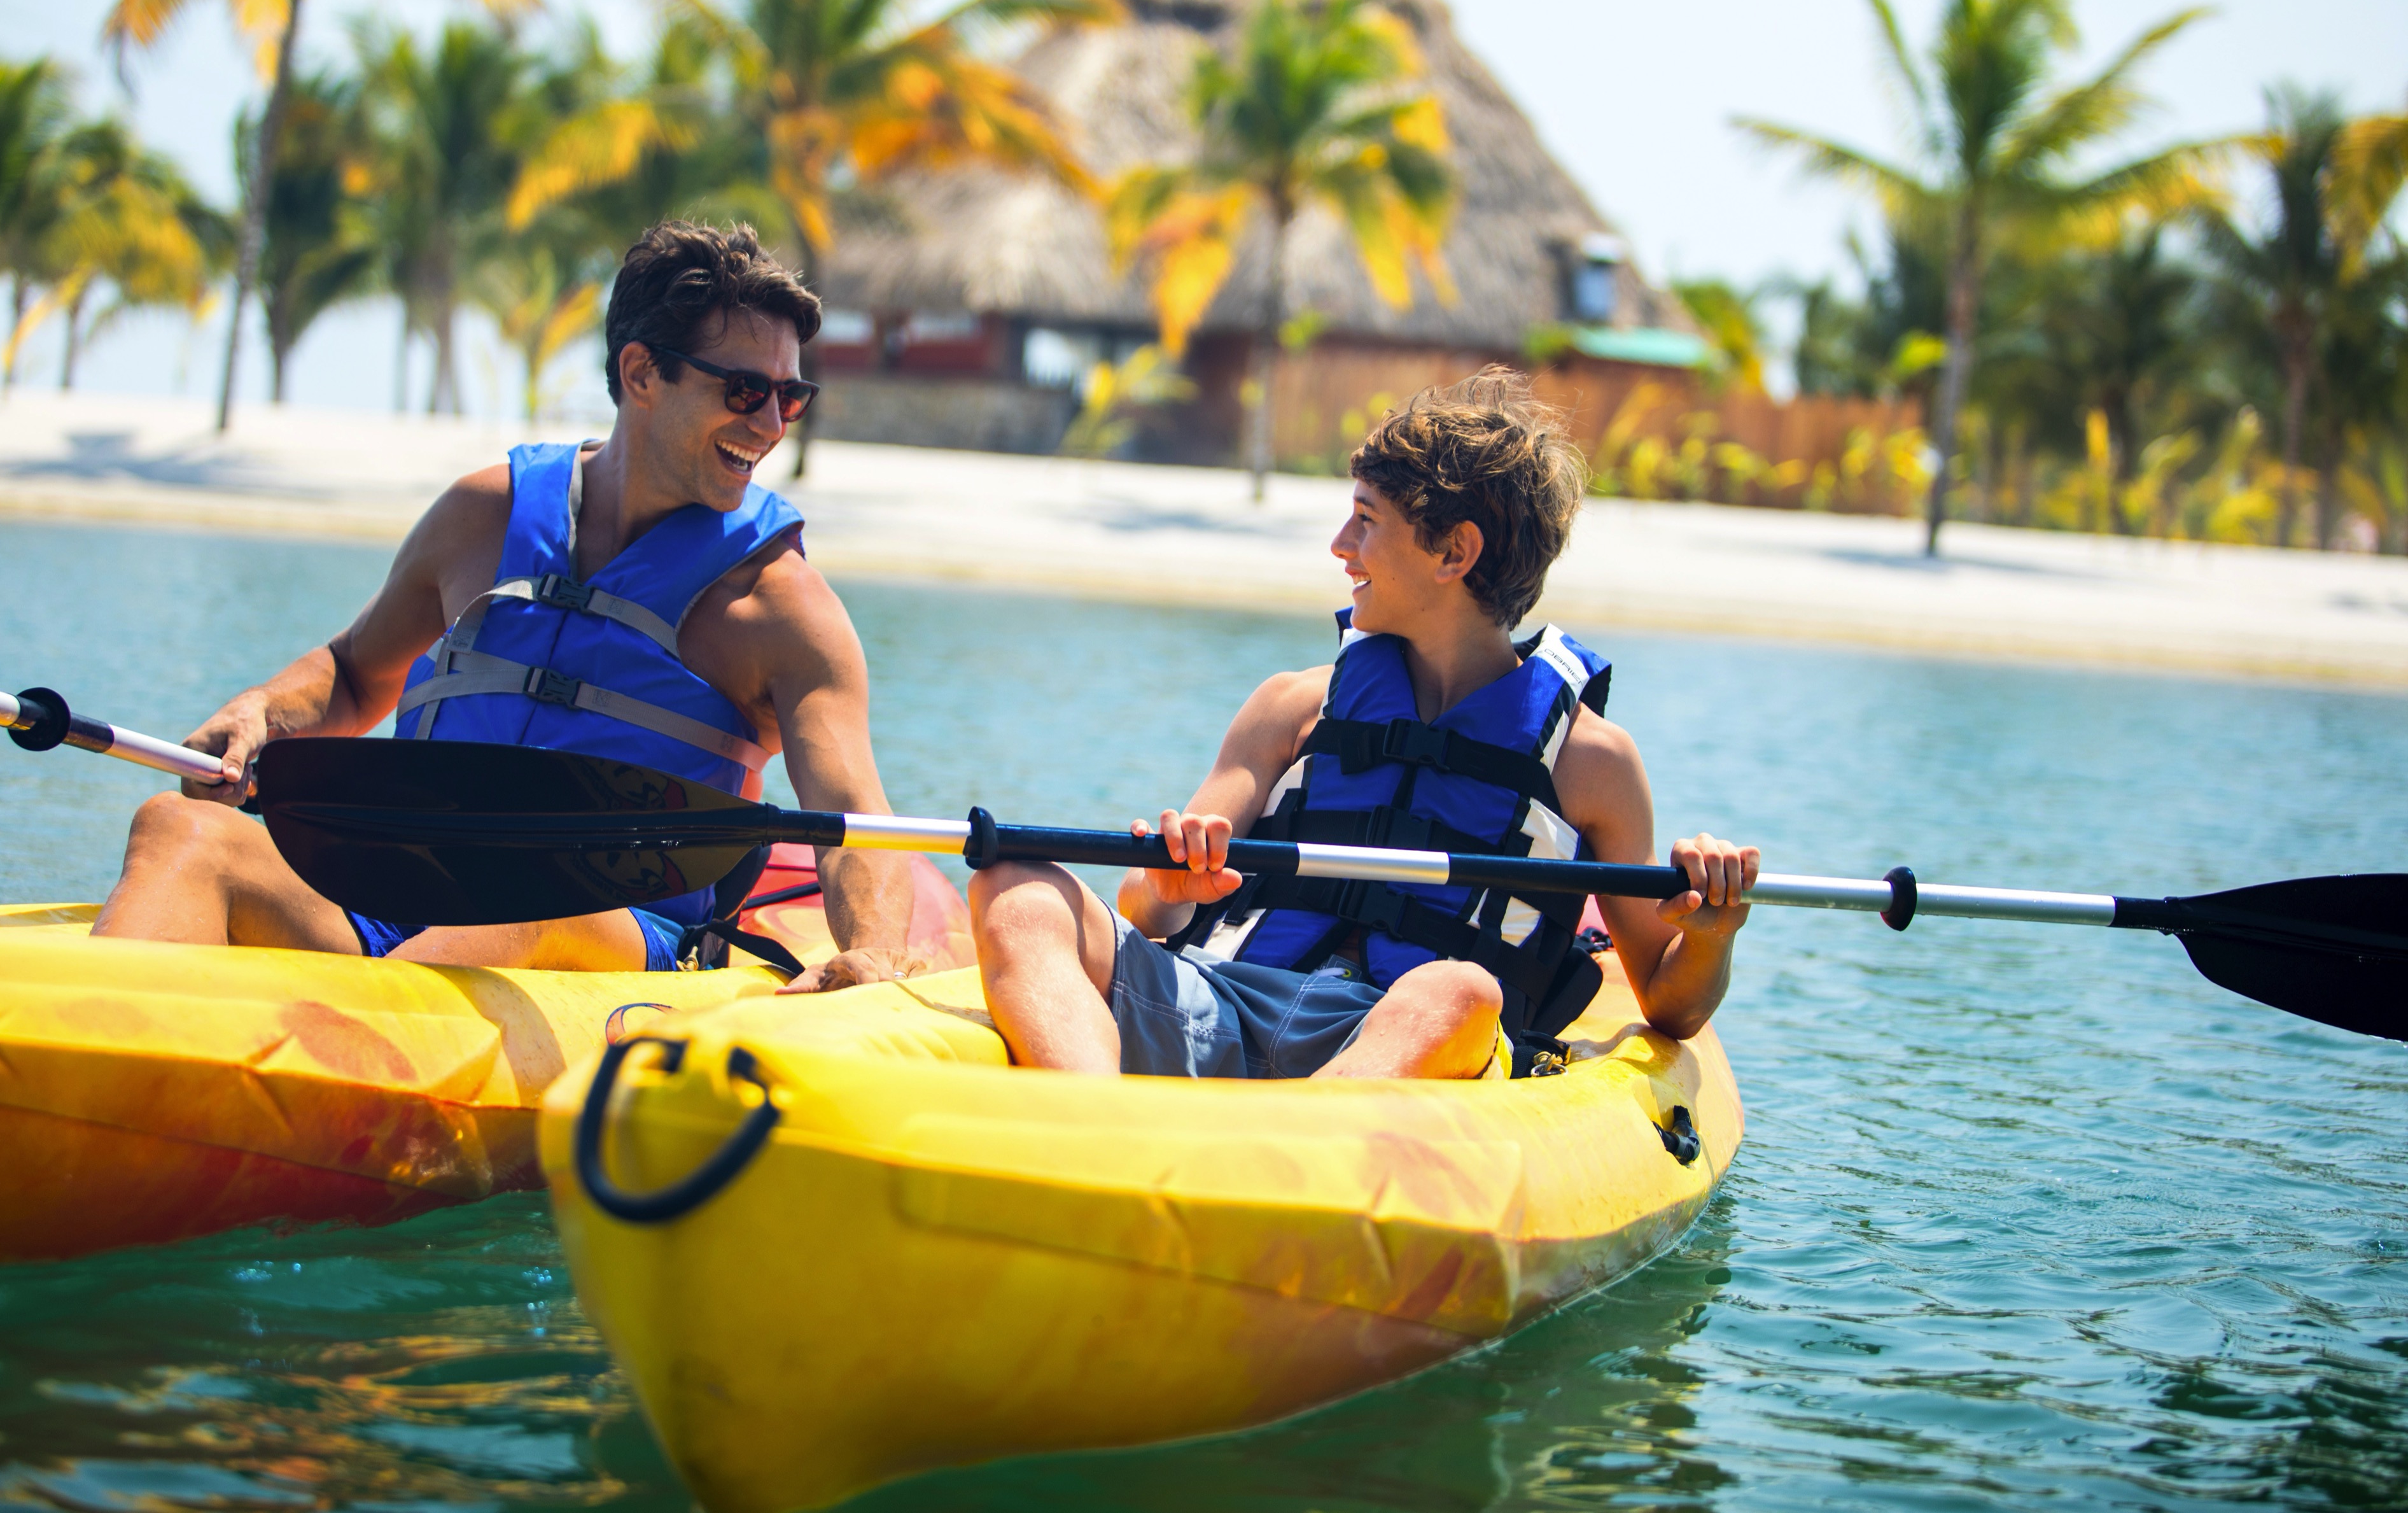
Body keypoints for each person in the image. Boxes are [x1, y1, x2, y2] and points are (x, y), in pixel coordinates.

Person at [95, 221, 940, 991]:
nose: (771, 424)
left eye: (792, 397)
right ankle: (72, 1068)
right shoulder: (482, 515)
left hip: (604, 932)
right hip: (398, 890)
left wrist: (866, 951)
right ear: (641, 373)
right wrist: (263, 710)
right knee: (178, 830)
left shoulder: (778, 606)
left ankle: (337, 1040)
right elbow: (356, 676)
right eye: (747, 391)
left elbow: (855, 816)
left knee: (539, 904)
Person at [970, 370, 1758, 1080]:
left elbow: (1668, 1002)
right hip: (1216, 998)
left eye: (1365, 520)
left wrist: (1713, 931)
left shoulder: (1593, 763)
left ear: (1454, 551)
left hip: (1398, 1037)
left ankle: (1293, 1160)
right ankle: (1086, 1124)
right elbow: (1149, 911)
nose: (1340, 547)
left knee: (1461, 988)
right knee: (1015, 885)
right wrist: (1165, 887)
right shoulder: (1291, 707)